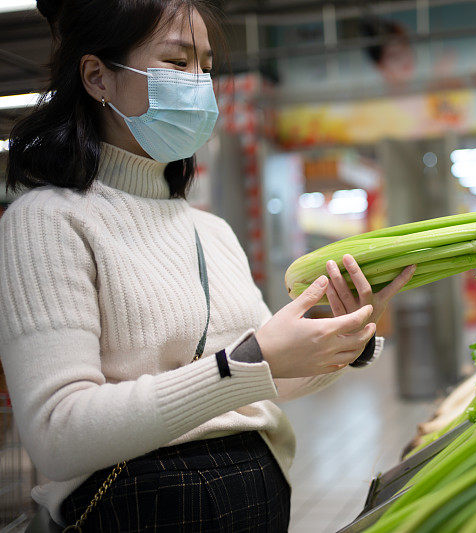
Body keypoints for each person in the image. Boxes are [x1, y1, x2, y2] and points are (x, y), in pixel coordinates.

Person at [0, 1, 415, 531]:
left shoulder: (211, 230)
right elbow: (58, 434)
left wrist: (340, 342)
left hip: (260, 507)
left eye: (207, 67)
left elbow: (264, 381)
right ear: (97, 76)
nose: (198, 83)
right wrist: (243, 362)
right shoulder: (47, 222)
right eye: (177, 63)